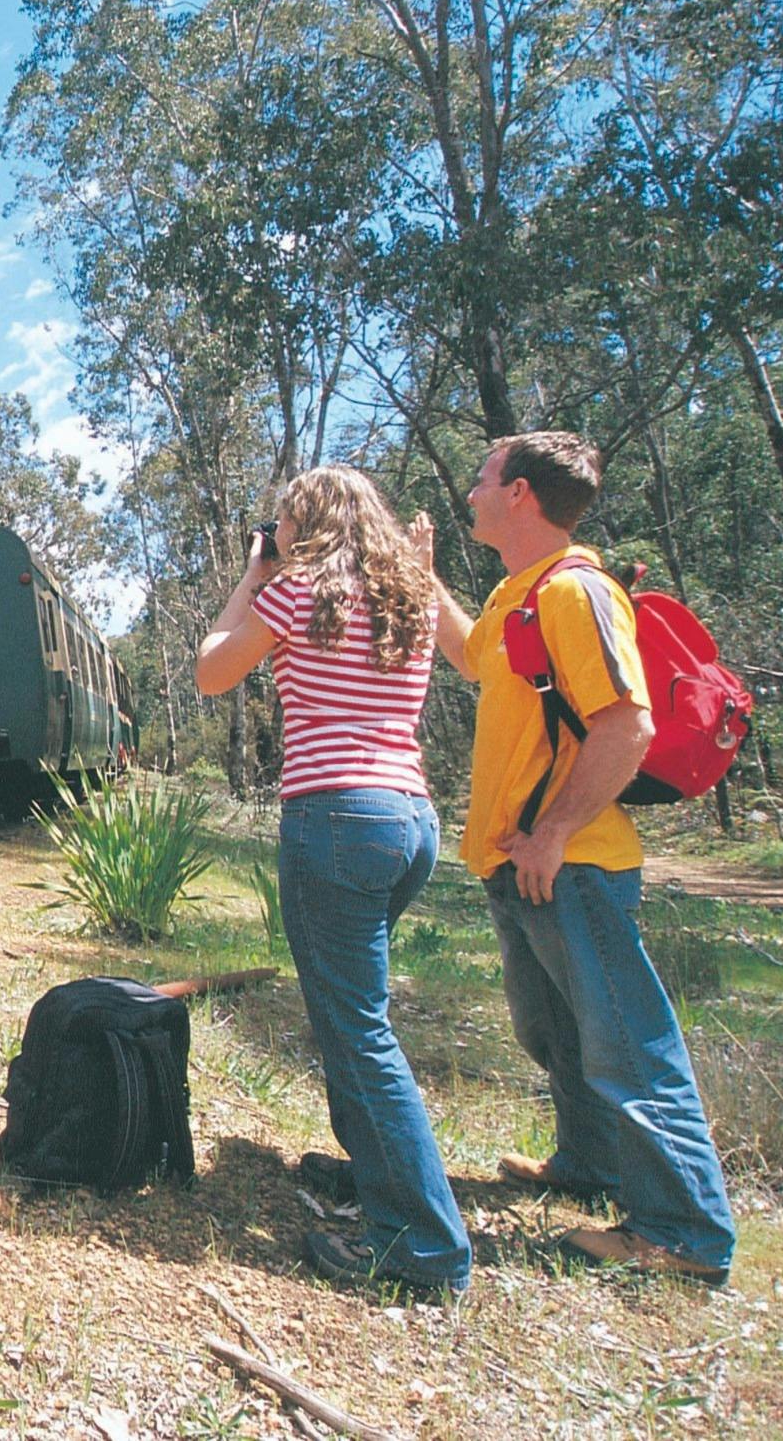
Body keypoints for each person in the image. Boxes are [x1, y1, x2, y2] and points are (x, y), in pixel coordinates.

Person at [427, 431, 735, 1286]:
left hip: (573, 865)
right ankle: (590, 1165)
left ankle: (683, 1232)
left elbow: (626, 724)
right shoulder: (516, 595)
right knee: (557, 1032)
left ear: (521, 494)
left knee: (627, 1047)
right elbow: (467, 655)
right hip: (522, 865)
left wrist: (555, 831)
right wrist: (423, 575)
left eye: (485, 478)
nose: (474, 492)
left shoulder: (575, 592)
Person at [196, 466, 470, 1296]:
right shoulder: (410, 594)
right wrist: (428, 570)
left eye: (281, 521)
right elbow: (479, 657)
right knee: (357, 1015)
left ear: (301, 524)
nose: (274, 532)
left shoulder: (297, 593)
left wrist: (253, 573)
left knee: (358, 1030)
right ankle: (381, 1180)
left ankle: (424, 1247)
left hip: (336, 819)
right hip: (411, 819)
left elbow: (212, 670)